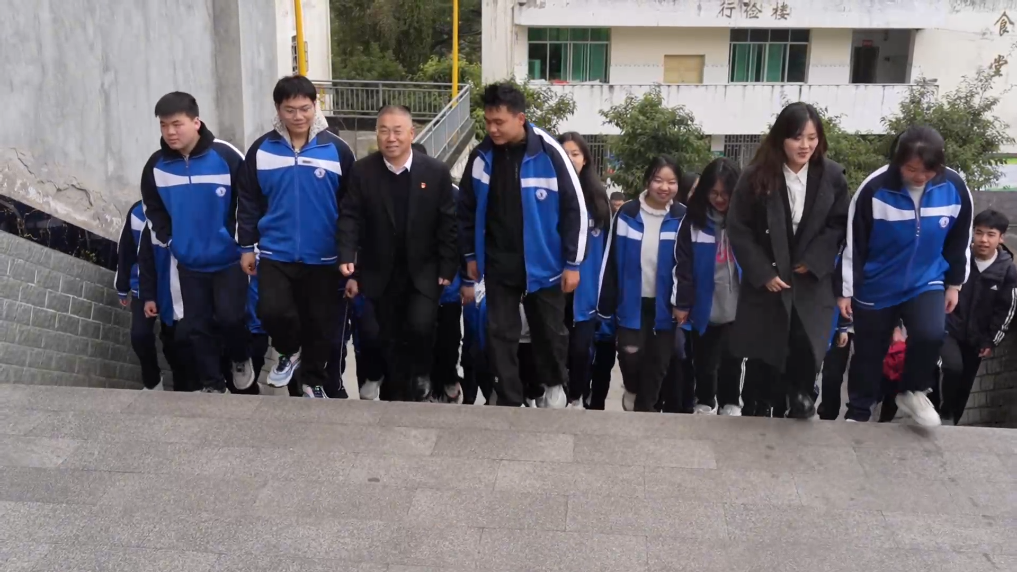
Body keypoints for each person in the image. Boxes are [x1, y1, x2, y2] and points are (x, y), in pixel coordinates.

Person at [458, 82, 588, 408]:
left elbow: (576, 209)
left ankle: (554, 385)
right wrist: (470, 256)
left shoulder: (549, 152)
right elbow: (466, 210)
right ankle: (509, 398)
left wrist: (573, 263)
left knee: (550, 333)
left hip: (544, 263)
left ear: (520, 118)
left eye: (499, 122)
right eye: (488, 121)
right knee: (500, 333)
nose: (492, 129)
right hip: (498, 262)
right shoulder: (481, 157)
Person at [841, 125, 972, 426]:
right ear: (898, 161)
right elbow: (853, 243)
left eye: (927, 171)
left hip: (926, 278)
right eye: (911, 169)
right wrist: (846, 289)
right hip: (877, 282)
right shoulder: (875, 189)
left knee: (931, 333)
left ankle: (912, 391)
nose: (919, 177)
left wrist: (955, 283)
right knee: (869, 352)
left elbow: (960, 238)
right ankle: (858, 412)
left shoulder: (954, 187)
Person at [235, 76, 355, 399]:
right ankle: (288, 350)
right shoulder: (261, 150)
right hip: (276, 252)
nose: (298, 116)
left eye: (305, 108)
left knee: (319, 323)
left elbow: (351, 208)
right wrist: (246, 246)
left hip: (324, 256)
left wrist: (348, 251)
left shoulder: (337, 150)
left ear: (315, 106)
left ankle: (312, 382)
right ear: (278, 109)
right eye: (290, 110)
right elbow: (248, 201)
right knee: (271, 311)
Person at [727, 102, 849, 419]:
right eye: (797, 138)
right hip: (770, 275)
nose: (805, 145)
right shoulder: (756, 176)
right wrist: (762, 272)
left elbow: (838, 224)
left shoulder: (832, 176)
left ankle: (800, 396)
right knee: (765, 345)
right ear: (781, 138)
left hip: (809, 276)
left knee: (805, 339)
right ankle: (757, 404)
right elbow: (738, 228)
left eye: (812, 137)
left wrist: (815, 259)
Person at [339, 105, 458, 402]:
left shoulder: (435, 172)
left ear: (411, 134)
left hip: (424, 269)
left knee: (420, 326)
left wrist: (448, 266)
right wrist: (347, 254)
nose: (390, 138)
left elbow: (448, 222)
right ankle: (396, 396)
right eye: (383, 131)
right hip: (380, 270)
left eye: (397, 131)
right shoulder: (363, 171)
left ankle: (422, 372)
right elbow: (350, 216)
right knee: (387, 335)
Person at [140, 92, 252, 394]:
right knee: (196, 327)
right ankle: (212, 385)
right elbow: (152, 209)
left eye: (177, 124)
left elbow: (248, 201)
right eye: (164, 126)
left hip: (229, 259)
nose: (170, 132)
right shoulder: (156, 166)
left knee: (230, 318)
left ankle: (240, 357)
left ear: (196, 122)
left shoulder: (226, 156)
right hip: (188, 261)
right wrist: (172, 241)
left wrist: (239, 242)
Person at [598, 156, 685, 412]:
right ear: (648, 180)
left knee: (658, 365)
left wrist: (684, 301)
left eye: (671, 182)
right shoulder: (628, 213)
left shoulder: (682, 216)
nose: (664, 187)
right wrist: (606, 304)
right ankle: (632, 388)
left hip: (665, 306)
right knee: (630, 357)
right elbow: (611, 259)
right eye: (658, 180)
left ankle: (645, 413)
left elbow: (687, 264)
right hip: (631, 304)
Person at [673, 157, 745, 416]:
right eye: (714, 193)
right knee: (703, 359)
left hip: (737, 302)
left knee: (732, 358)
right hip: (703, 302)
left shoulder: (745, 221)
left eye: (725, 193)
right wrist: (682, 303)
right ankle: (705, 400)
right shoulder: (693, 222)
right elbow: (682, 265)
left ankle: (730, 402)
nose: (719, 199)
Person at [939, 209, 1016, 425]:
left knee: (965, 384)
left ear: (1001, 238)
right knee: (951, 367)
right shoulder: (957, 259)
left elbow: (1006, 309)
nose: (983, 240)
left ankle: (952, 421)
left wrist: (991, 340)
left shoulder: (1007, 271)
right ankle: (943, 411)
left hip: (977, 338)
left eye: (990, 235)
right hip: (949, 327)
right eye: (979, 233)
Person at [558, 132, 612, 409]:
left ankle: (577, 396)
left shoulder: (598, 201)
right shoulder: (550, 195)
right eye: (564, 153)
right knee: (556, 348)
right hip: (554, 288)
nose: (570, 159)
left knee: (581, 350)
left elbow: (608, 252)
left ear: (585, 159)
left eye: (575, 154)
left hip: (587, 291)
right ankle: (557, 394)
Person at [119, 201, 188, 391]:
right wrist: (122, 285)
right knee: (139, 335)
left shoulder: (179, 206)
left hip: (173, 288)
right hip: (142, 286)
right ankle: (152, 381)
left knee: (174, 340)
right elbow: (126, 250)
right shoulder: (136, 212)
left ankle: (182, 386)